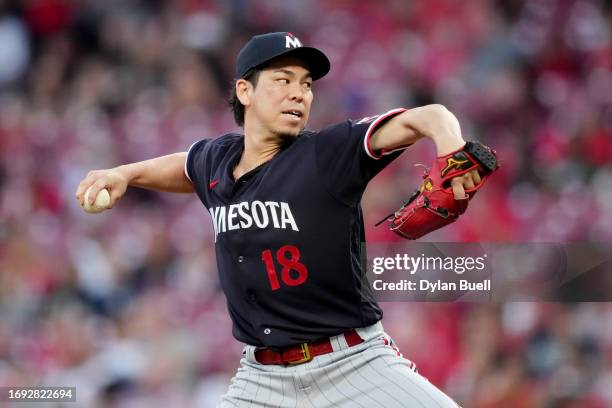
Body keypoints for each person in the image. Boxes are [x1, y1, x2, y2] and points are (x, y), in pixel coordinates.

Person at [76, 32, 479, 407]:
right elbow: (185, 168)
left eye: (305, 84)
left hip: (354, 362)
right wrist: (125, 173)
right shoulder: (216, 160)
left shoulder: (327, 154)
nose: (299, 94)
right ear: (244, 91)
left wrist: (451, 146)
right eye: (283, 80)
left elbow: (425, 117)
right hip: (261, 378)